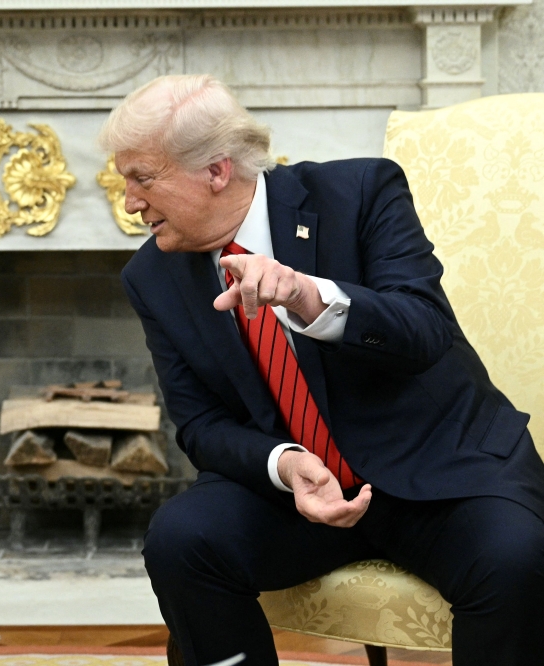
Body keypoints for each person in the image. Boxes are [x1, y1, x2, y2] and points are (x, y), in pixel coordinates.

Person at [101, 74, 544, 666]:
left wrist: (312, 299)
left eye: (142, 177)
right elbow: (200, 424)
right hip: (301, 497)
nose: (128, 201)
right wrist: (283, 464)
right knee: (182, 540)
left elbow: (424, 330)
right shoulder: (152, 276)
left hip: (440, 470)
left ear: (216, 169)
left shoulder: (359, 191)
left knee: (514, 557)